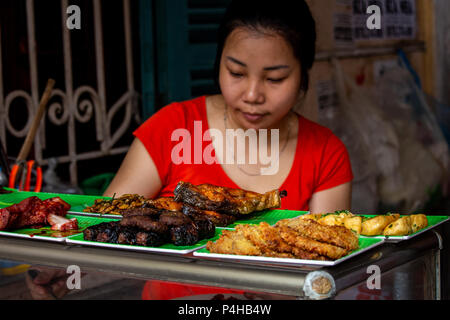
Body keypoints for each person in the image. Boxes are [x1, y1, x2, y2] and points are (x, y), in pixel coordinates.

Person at [28, 0, 353, 300]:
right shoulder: (172, 128)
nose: (252, 94)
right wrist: (64, 268)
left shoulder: (326, 153)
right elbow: (101, 230)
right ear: (218, 64)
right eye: (236, 73)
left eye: (275, 78)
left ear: (302, 76)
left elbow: (326, 262)